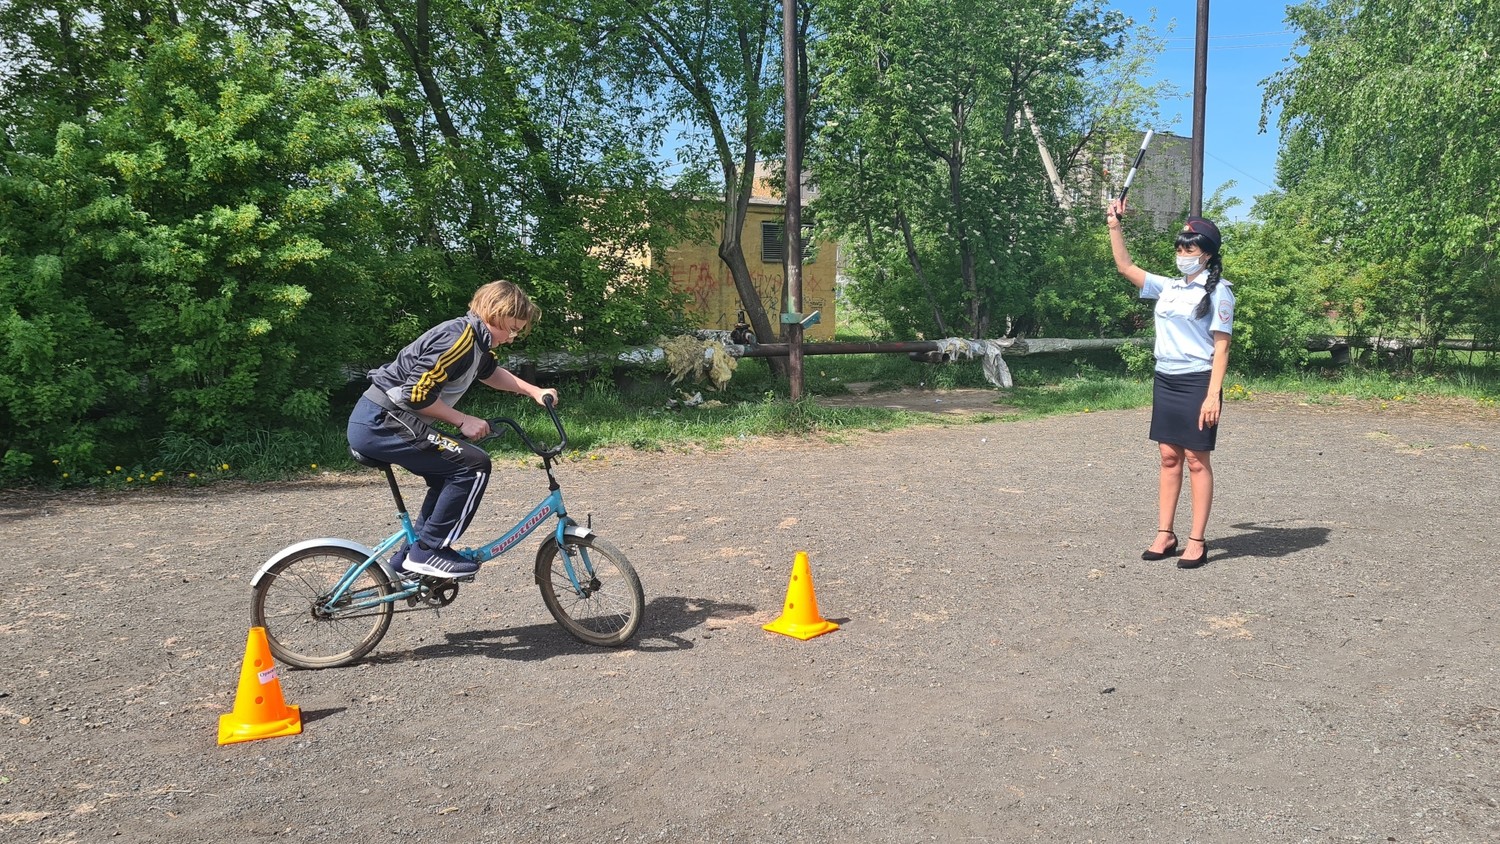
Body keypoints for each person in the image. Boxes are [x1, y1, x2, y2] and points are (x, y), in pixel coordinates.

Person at [347, 280, 559, 578]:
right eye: (511, 329)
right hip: (382, 422)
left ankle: (408, 558)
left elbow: (490, 373)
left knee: (449, 473)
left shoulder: (476, 341)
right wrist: (463, 420)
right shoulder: (457, 339)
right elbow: (415, 394)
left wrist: (534, 391)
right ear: (494, 314)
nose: (512, 338)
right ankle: (429, 552)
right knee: (473, 465)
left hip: (390, 421)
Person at [1106, 198, 1234, 569]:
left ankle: (1197, 540)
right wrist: (1115, 225)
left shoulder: (1219, 291)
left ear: (1207, 254)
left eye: (1190, 248)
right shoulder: (1169, 287)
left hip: (1198, 382)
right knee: (1168, 457)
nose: (1182, 253)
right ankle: (1166, 533)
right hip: (1166, 379)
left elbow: (1222, 349)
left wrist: (1213, 396)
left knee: (1196, 459)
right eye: (1179, 248)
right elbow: (1125, 266)